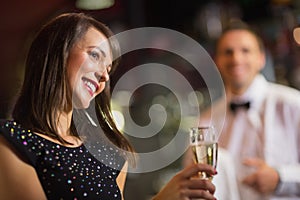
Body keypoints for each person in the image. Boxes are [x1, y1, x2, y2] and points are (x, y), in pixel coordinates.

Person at [0, 12, 217, 200]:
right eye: (95, 55)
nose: (104, 76)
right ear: (58, 52)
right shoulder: (12, 142)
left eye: (109, 69)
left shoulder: (109, 154)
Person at [185, 20, 300, 200]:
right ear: (218, 61)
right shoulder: (206, 120)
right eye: (228, 52)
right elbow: (192, 182)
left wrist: (281, 178)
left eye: (245, 51)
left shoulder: (293, 105)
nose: (236, 59)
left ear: (262, 58)